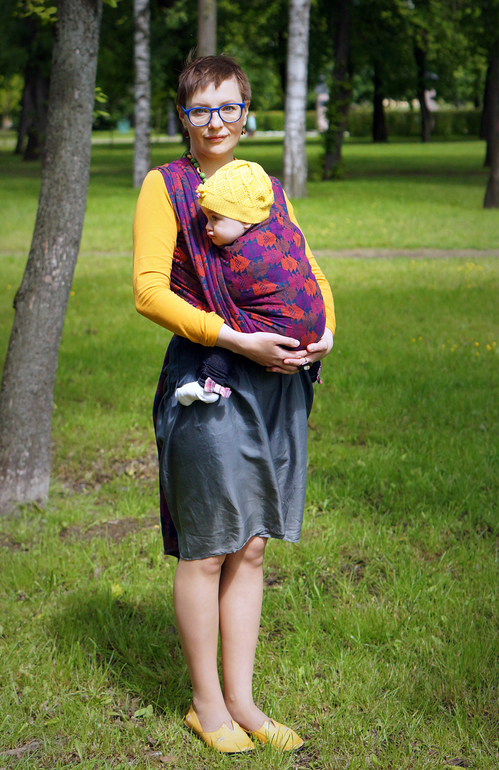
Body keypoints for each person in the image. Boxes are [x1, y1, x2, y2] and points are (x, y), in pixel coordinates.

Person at [133, 54, 335, 754]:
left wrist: (326, 330)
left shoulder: (264, 186)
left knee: (250, 546)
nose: (215, 122)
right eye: (201, 109)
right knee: (209, 545)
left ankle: (244, 702)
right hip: (209, 374)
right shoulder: (166, 186)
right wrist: (236, 339)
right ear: (182, 116)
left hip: (275, 381)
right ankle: (206, 704)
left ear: (246, 113)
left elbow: (304, 264)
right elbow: (148, 291)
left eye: (229, 107)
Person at [174, 158, 326, 407]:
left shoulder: (244, 256)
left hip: (284, 334)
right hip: (315, 329)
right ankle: (312, 369)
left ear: (245, 220)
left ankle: (210, 381)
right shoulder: (281, 228)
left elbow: (224, 293)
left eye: (215, 218)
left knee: (229, 320)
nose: (207, 228)